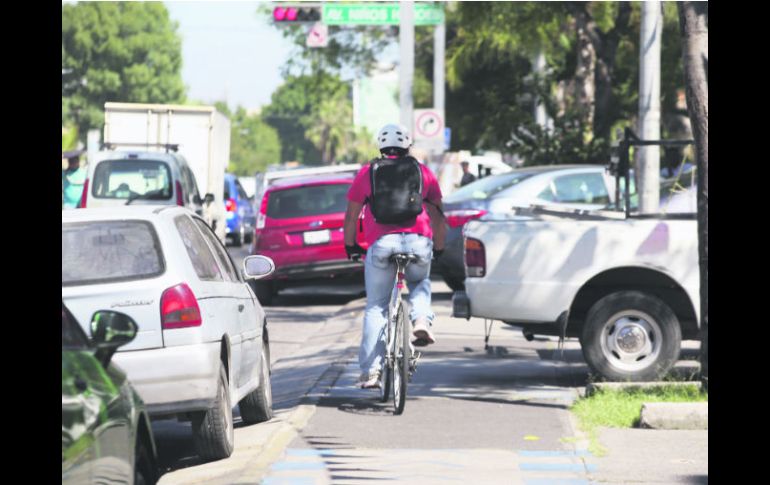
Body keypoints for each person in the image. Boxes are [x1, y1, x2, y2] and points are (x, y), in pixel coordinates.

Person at [343, 123, 447, 389]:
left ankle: (370, 373)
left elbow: (352, 215)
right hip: (418, 242)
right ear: (407, 146)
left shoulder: (368, 172)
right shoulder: (422, 172)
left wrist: (351, 245)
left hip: (382, 245)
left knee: (376, 306)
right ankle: (421, 320)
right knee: (420, 283)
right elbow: (437, 214)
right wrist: (440, 247)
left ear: (380, 146)